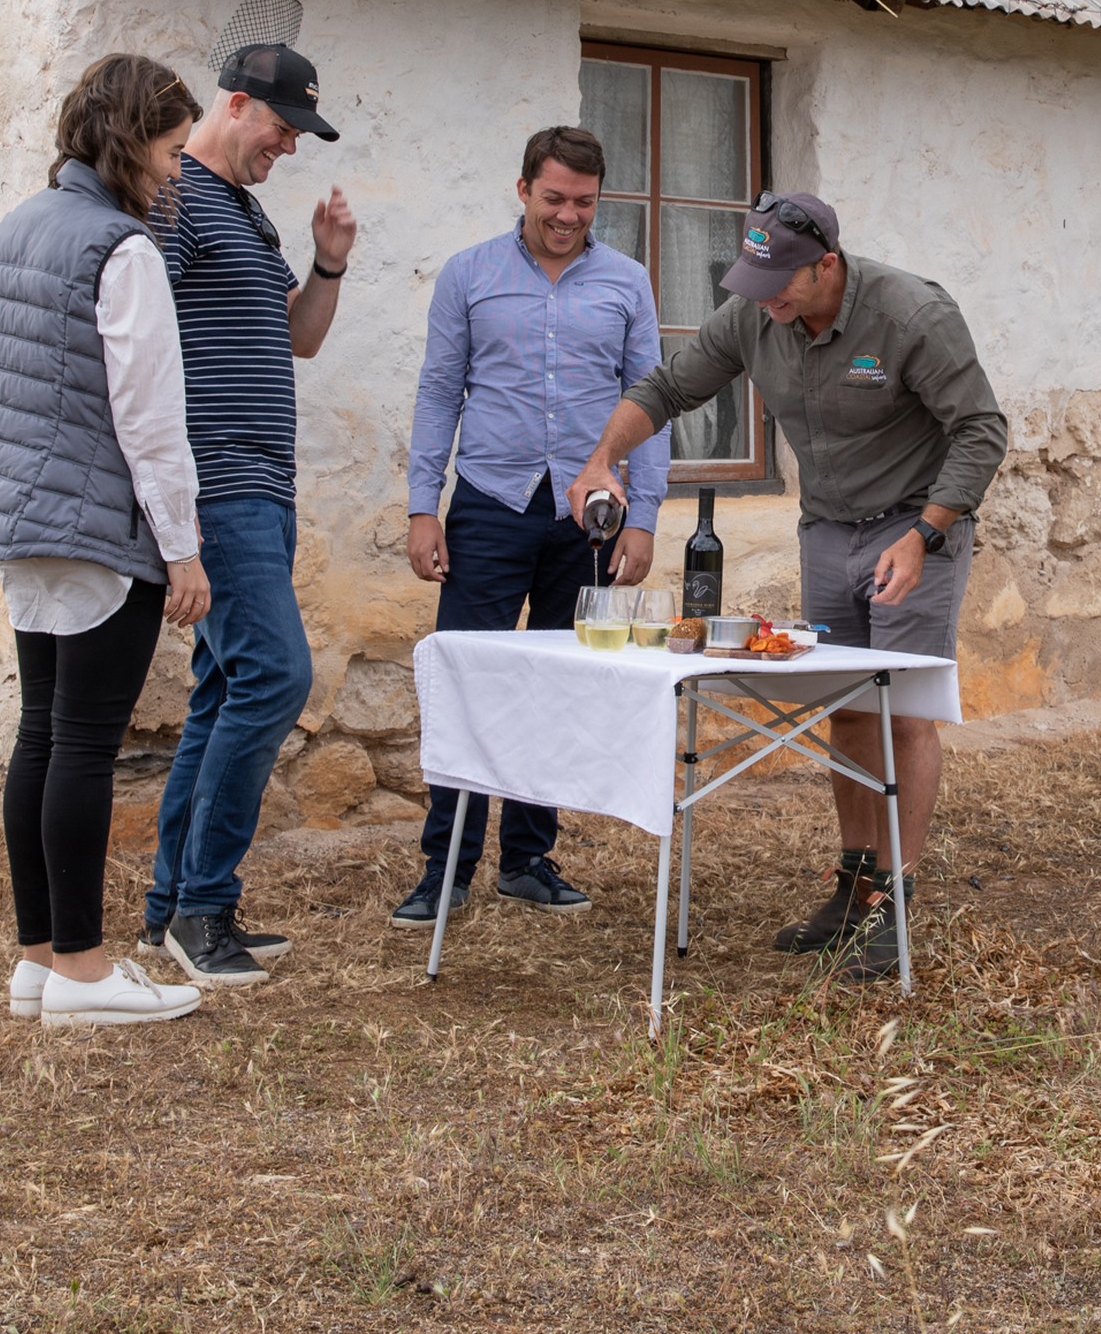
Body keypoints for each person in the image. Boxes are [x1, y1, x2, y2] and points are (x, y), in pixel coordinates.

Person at [567, 192, 1005, 980]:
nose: (763, 297)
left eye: (780, 282)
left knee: (902, 710)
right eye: (754, 278)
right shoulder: (754, 313)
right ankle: (854, 882)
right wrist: (602, 460)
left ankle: (894, 903)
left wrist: (926, 533)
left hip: (916, 527)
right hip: (829, 528)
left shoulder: (911, 315)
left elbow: (981, 429)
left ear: (827, 265)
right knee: (845, 708)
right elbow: (667, 389)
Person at [0, 54, 210, 1028]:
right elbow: (149, 419)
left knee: (44, 731)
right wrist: (181, 551)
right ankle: (87, 975)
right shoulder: (121, 248)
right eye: (173, 150)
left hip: (22, 516)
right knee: (87, 745)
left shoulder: (23, 224)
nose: (179, 171)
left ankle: (39, 960)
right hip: (97, 523)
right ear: (130, 140)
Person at [390, 125, 670, 926]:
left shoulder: (627, 283)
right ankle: (445, 867)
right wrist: (421, 507)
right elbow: (439, 393)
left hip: (588, 518)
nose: (567, 216)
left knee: (557, 687)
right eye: (554, 199)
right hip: (488, 505)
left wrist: (642, 520)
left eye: (583, 202)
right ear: (522, 191)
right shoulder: (467, 276)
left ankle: (529, 859)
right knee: (469, 682)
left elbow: (651, 400)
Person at [141, 42, 358, 988]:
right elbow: (136, 330)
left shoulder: (246, 214)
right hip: (216, 483)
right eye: (282, 126)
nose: (291, 147)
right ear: (235, 105)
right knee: (275, 678)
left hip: (265, 487)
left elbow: (299, 340)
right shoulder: (176, 200)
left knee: (225, 692)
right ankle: (202, 908)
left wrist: (328, 265)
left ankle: (171, 912)